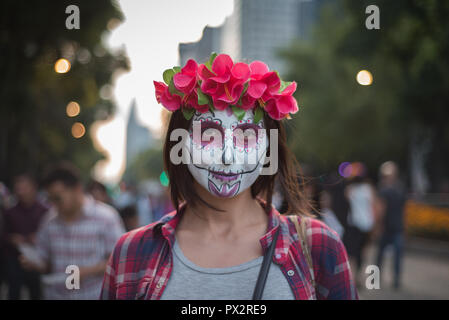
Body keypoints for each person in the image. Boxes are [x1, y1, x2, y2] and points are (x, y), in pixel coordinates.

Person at [100, 54, 358, 300]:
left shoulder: (318, 246)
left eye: (246, 137)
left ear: (269, 148)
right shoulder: (132, 252)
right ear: (180, 144)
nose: (226, 157)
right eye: (209, 135)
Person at [20, 162, 125, 299]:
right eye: (50, 198)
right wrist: (33, 262)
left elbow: (120, 260)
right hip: (56, 295)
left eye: (57, 198)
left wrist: (85, 272)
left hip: (92, 294)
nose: (54, 203)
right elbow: (45, 260)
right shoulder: (49, 221)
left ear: (77, 189)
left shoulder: (106, 218)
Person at [3, 174, 48, 299]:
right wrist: (12, 239)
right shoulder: (9, 212)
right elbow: (4, 235)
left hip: (36, 258)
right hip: (14, 258)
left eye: (24, 188)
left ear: (33, 188)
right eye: (18, 188)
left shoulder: (45, 211)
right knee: (13, 291)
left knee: (36, 292)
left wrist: (38, 238)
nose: (21, 192)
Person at [375, 161, 407, 289]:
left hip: (393, 228)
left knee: (382, 255)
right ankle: (392, 281)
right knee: (386, 255)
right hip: (390, 228)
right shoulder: (397, 189)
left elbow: (380, 210)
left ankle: (379, 280)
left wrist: (378, 226)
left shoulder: (384, 190)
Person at [343, 175, 376, 287]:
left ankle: (352, 278)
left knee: (352, 252)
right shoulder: (368, 189)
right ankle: (358, 276)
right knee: (362, 252)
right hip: (366, 224)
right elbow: (372, 205)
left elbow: (346, 197)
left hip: (354, 224)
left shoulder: (350, 189)